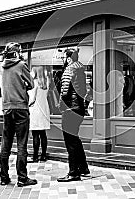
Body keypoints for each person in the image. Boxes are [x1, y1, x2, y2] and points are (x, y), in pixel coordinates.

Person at [0, 42, 37, 187]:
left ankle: (4, 177)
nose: (21, 53)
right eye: (20, 51)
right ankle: (22, 178)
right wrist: (25, 85)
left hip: (7, 108)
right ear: (16, 53)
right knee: (21, 144)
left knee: (6, 144)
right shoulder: (21, 65)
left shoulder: (3, 67)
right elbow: (32, 84)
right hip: (20, 107)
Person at [57, 48, 90, 182]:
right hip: (79, 108)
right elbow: (85, 90)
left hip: (70, 109)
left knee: (70, 141)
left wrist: (60, 106)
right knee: (75, 139)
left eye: (64, 57)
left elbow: (64, 92)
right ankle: (83, 168)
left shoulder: (69, 70)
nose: (64, 60)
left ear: (69, 58)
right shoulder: (81, 70)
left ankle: (73, 172)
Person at [28, 66, 51, 163]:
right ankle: (43, 155)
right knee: (43, 134)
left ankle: (35, 156)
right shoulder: (47, 82)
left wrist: (27, 104)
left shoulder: (34, 83)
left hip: (35, 109)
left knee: (35, 134)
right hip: (44, 109)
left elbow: (32, 98)